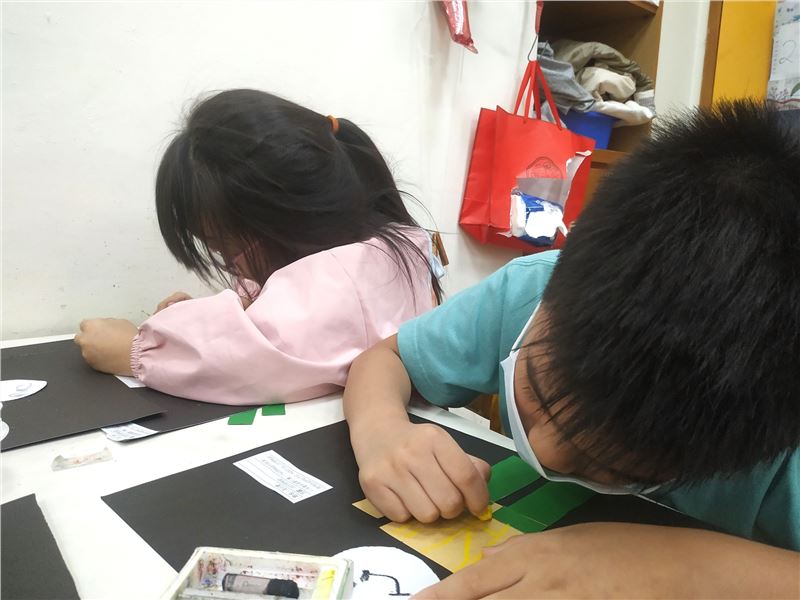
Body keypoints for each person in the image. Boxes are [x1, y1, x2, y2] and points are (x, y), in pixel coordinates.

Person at [344, 100, 800, 597]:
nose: (543, 451)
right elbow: (385, 359)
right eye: (537, 393)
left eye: (611, 465)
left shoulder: (778, 417)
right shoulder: (531, 291)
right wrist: (381, 431)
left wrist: (683, 567)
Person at [75, 89, 442, 405]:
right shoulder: (384, 246)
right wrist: (202, 318)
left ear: (286, 221)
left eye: (225, 249)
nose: (229, 264)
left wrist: (135, 350)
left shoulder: (345, 275)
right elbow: (274, 311)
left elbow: (253, 356)